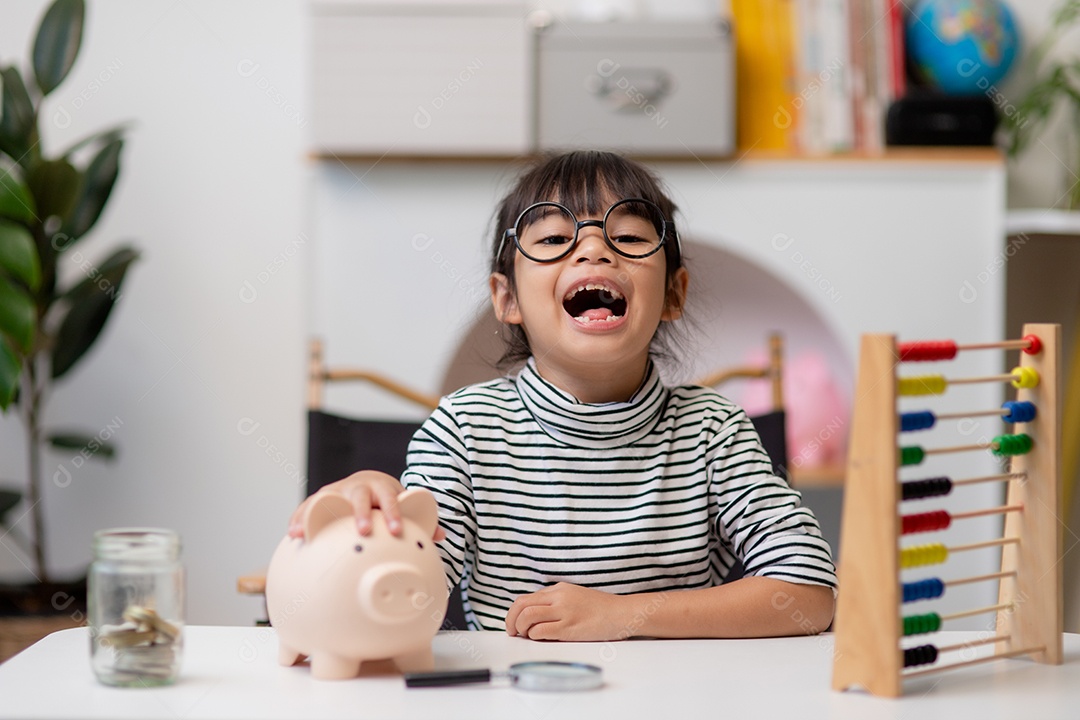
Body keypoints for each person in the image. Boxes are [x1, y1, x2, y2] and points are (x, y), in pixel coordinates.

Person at [289, 150, 836, 641]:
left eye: (628, 237)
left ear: (674, 293)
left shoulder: (714, 431)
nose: (593, 250)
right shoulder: (464, 429)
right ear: (507, 298)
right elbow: (406, 593)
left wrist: (623, 616)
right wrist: (373, 517)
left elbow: (809, 594)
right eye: (553, 240)